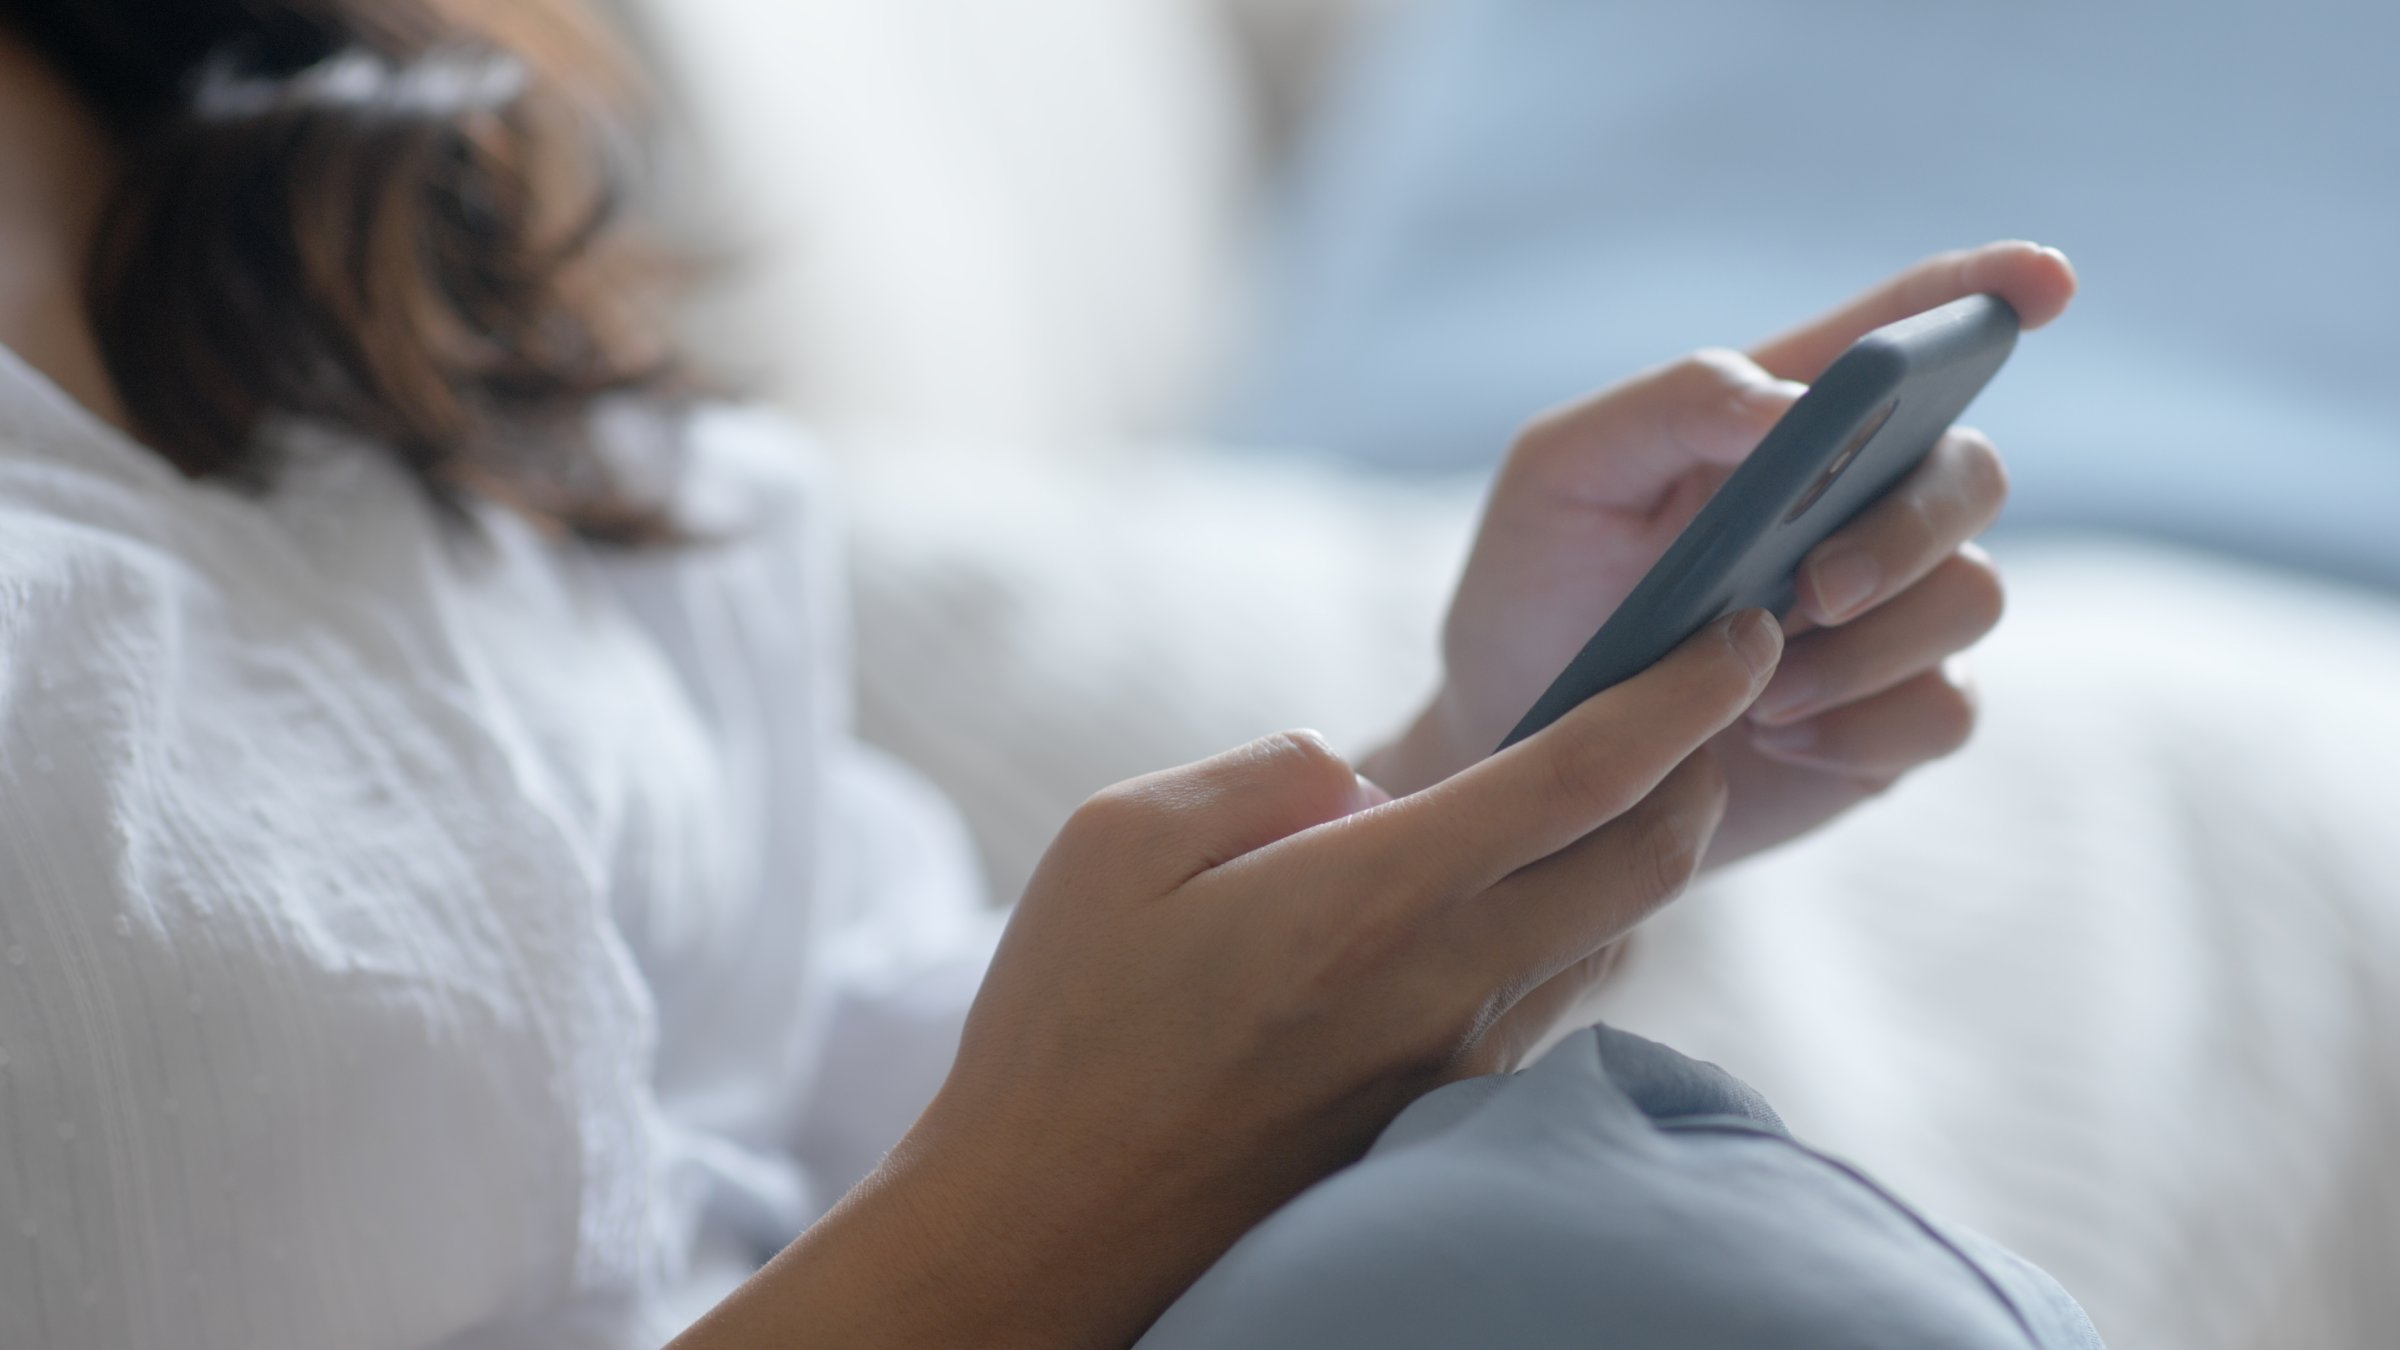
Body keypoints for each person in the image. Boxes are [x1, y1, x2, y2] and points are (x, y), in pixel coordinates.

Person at [0, 1, 2089, 1346]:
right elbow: (1002, 1187)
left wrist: (1467, 781)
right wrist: (1032, 1214)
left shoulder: (317, 177)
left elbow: (786, 1076)